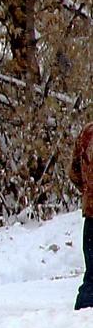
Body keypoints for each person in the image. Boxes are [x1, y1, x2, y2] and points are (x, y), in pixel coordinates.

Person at [75, 121, 93, 310]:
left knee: (92, 274)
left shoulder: (87, 133)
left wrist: (88, 191)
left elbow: (74, 173)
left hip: (91, 214)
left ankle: (82, 313)